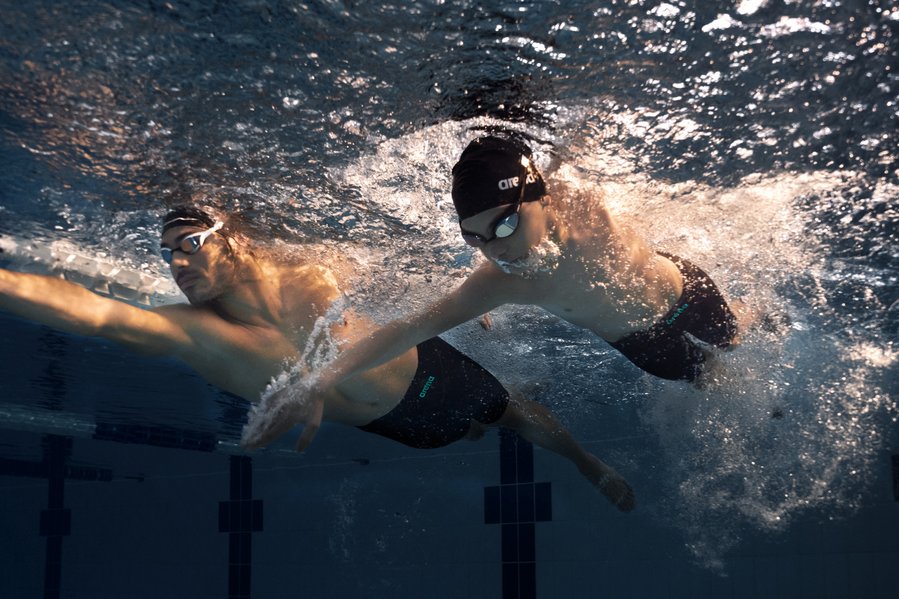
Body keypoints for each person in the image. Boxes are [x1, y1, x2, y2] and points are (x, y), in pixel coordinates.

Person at [0, 205, 635, 511]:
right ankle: (478, 430)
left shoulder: (312, 268)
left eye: (189, 243)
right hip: (398, 426)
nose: (176, 262)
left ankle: (587, 462)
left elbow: (399, 266)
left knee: (510, 412)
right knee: (466, 431)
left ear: (233, 239)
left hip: (432, 372)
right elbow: (94, 312)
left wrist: (458, 299)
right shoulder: (195, 333)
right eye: (167, 253)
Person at [247, 134, 741, 454]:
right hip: (641, 343)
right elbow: (410, 328)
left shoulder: (584, 203)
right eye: (475, 239)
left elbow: (577, 140)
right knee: (715, 382)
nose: (495, 251)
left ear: (540, 197)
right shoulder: (499, 281)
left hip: (686, 291)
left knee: (738, 338)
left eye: (504, 225)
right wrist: (318, 383)